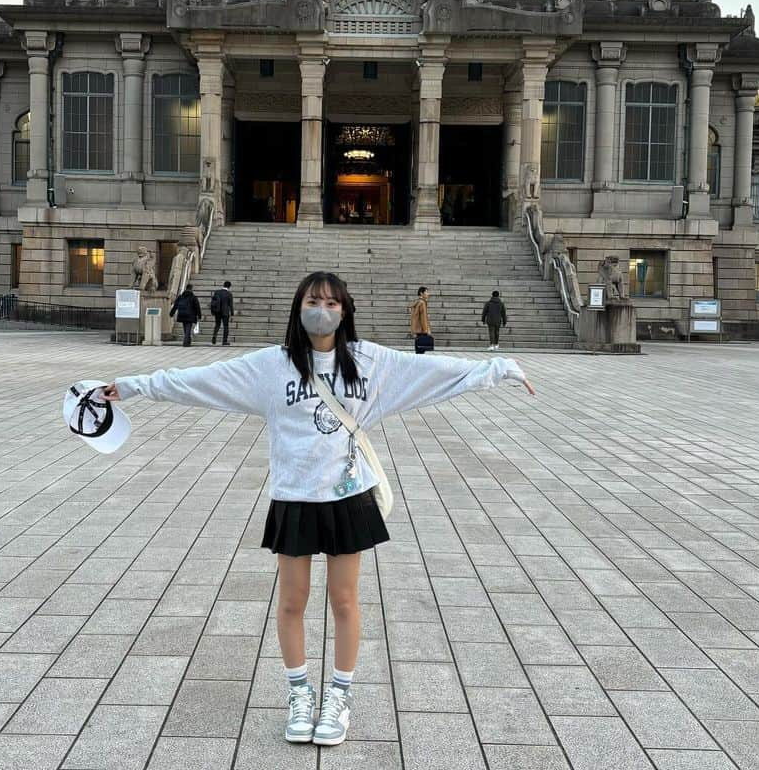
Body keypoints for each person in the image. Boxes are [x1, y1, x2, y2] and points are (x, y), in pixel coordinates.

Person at [102, 271, 534, 748]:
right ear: (298, 307)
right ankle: (299, 694)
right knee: (292, 601)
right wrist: (134, 385)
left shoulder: (370, 362)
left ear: (344, 310)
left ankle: (339, 696)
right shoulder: (272, 366)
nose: (321, 309)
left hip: (348, 496)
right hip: (295, 496)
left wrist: (500, 369)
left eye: (331, 302)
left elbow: (433, 375)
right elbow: (200, 381)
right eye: (313, 300)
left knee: (345, 601)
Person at [210, 280, 235, 346]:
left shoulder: (217, 292)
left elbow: (213, 302)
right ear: (229, 286)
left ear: (223, 285)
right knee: (226, 326)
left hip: (217, 311)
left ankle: (214, 336)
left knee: (217, 325)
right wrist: (232, 313)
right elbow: (231, 305)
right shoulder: (229, 294)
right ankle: (224, 341)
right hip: (225, 312)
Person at [409, 286, 432, 353]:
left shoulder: (417, 302)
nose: (428, 294)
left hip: (417, 329)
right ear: (421, 293)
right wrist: (426, 330)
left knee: (418, 349)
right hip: (422, 330)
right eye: (426, 292)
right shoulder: (422, 303)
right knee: (421, 350)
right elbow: (423, 318)